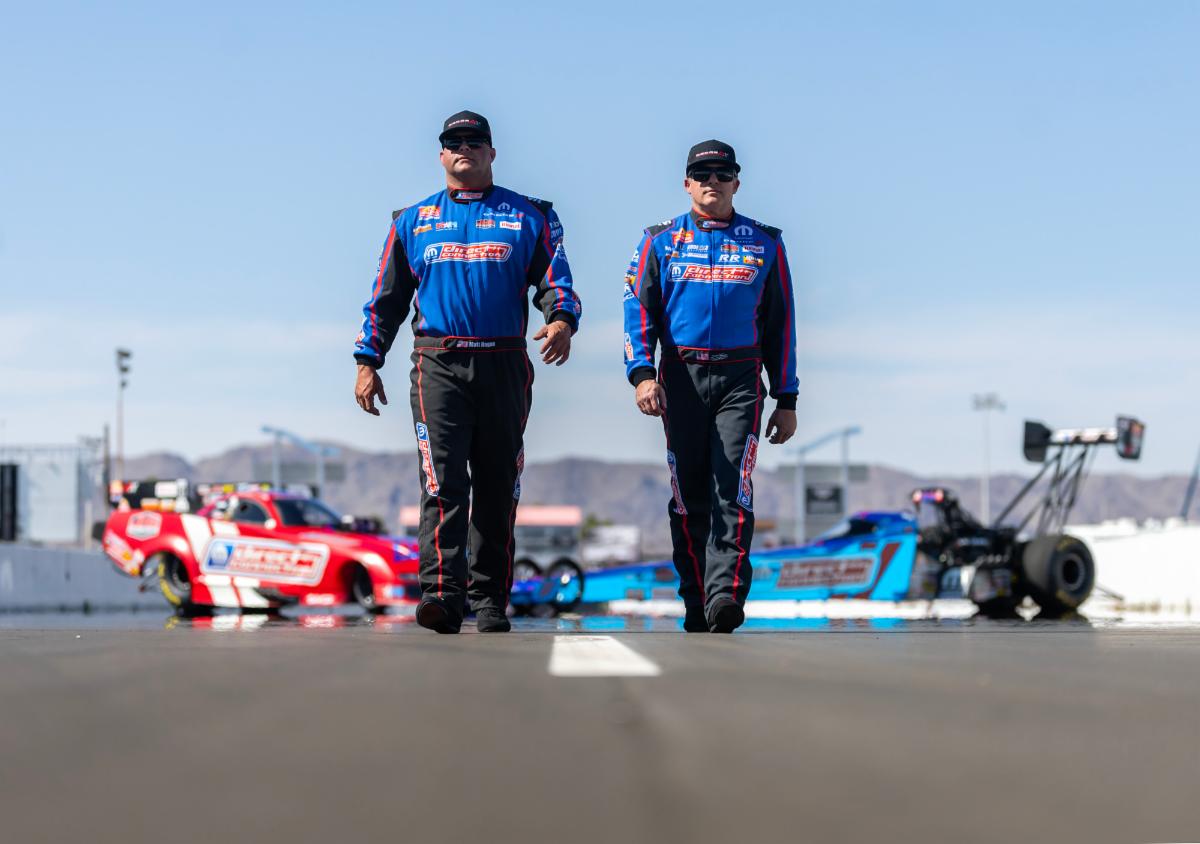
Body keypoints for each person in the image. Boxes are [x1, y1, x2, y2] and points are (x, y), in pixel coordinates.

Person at [353, 110, 582, 634]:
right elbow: (385, 300)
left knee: (498, 485)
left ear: (492, 152)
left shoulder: (531, 215)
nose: (465, 149)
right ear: (441, 154)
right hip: (438, 363)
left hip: (504, 362)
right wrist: (368, 361)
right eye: (454, 142)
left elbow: (555, 280)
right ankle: (441, 594)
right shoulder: (411, 221)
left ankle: (491, 600)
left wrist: (562, 320)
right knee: (443, 482)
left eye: (475, 142)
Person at [622, 140, 798, 633]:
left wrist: (786, 398)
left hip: (741, 378)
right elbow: (638, 311)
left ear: (737, 183)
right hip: (680, 376)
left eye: (722, 174)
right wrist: (642, 374)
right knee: (688, 494)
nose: (712, 182)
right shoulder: (659, 241)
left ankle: (725, 595)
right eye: (702, 174)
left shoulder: (766, 243)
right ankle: (696, 599)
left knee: (731, 486)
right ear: (687, 184)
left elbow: (782, 325)